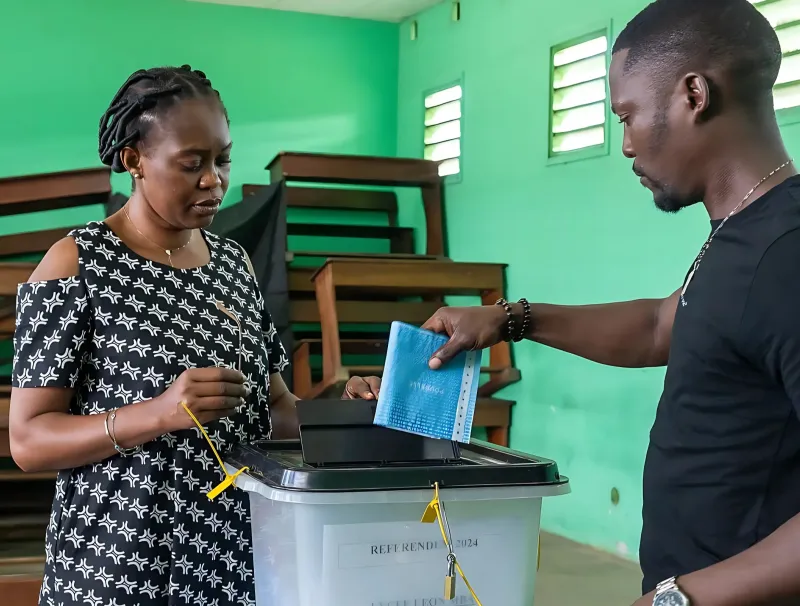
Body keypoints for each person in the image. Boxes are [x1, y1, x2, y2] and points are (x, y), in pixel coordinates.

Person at [363, 1, 800, 604]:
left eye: (628, 115)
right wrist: (511, 320)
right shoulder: (743, 233)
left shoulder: (787, 252)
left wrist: (684, 598)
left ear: (693, 94)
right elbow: (660, 327)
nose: (624, 145)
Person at [8, 64, 379, 606]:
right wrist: (158, 413)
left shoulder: (233, 263)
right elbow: (28, 440)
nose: (214, 181)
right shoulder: (77, 262)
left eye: (223, 159)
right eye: (191, 164)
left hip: (238, 558)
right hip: (119, 564)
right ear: (134, 160)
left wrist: (342, 411)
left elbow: (272, 407)